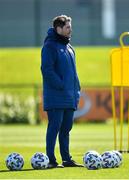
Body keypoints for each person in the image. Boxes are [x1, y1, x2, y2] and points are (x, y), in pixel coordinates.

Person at [41, 15, 83, 168]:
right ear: (58, 29)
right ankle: (51, 160)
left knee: (66, 129)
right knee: (54, 127)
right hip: (56, 96)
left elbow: (73, 72)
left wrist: (76, 87)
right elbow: (46, 70)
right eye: (67, 27)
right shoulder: (50, 46)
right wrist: (60, 85)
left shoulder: (69, 48)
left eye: (70, 27)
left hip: (69, 96)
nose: (70, 30)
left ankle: (67, 159)